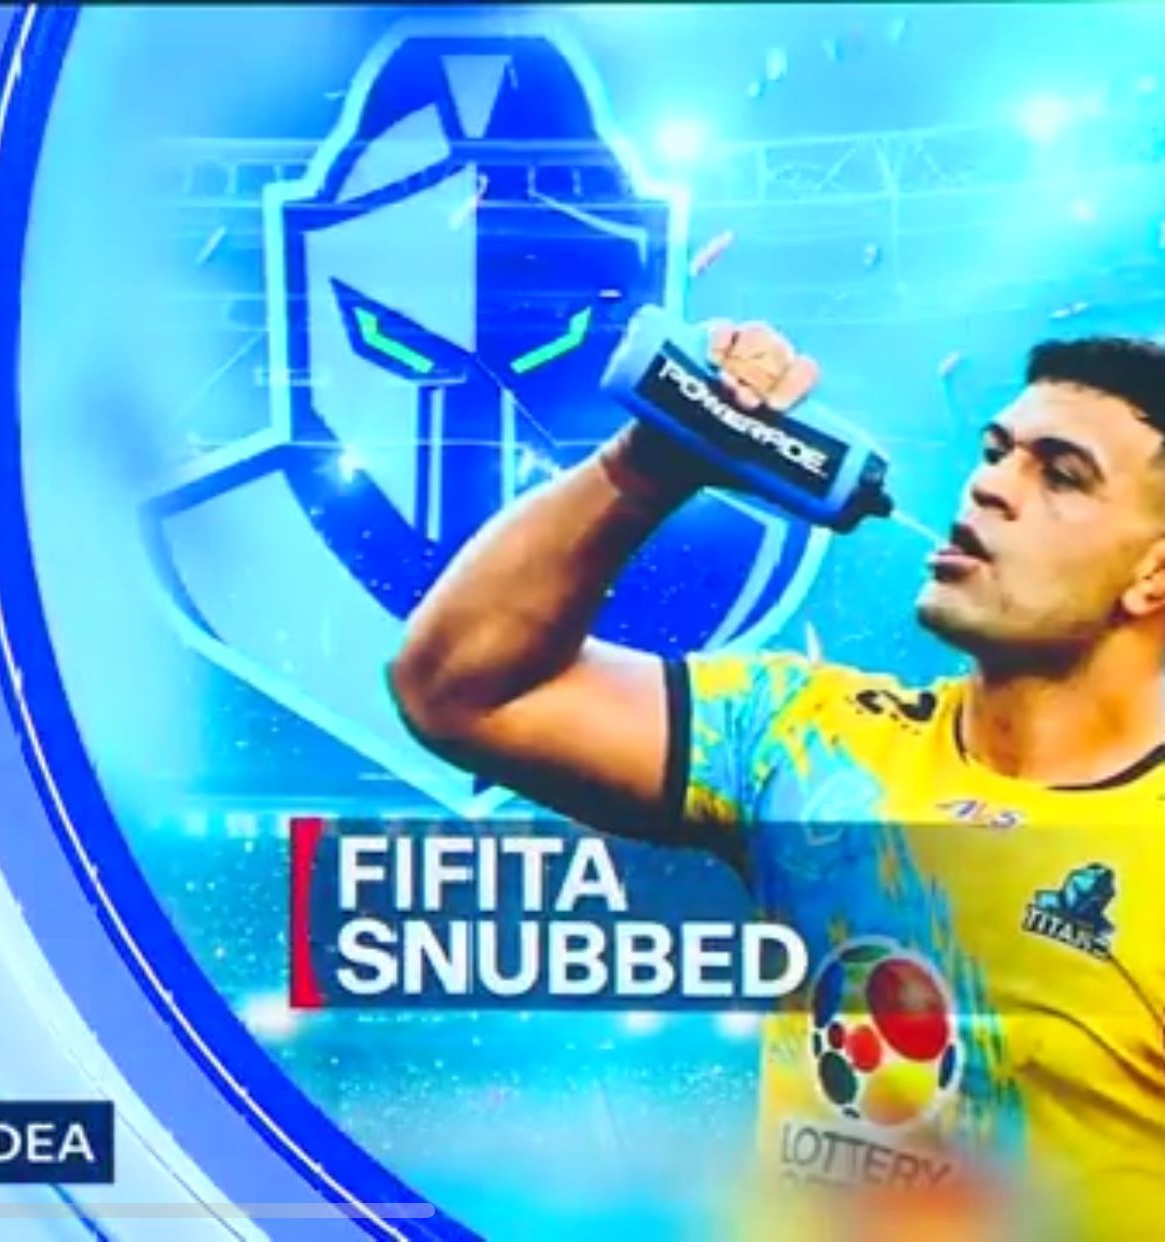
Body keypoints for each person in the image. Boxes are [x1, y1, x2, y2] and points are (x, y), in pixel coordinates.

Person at [389, 320, 1165, 1237]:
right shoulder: (805, 737)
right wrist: (651, 463)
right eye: (996, 452)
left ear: (1154, 573)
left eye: (1061, 475)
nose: (991, 485)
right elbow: (460, 690)